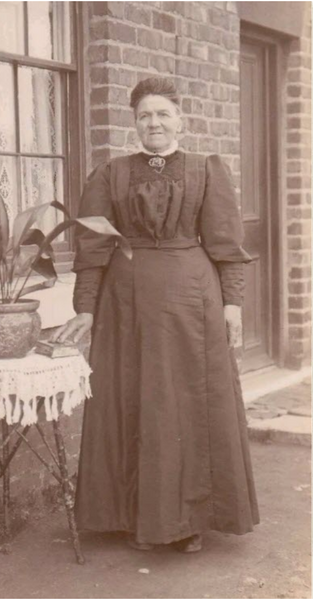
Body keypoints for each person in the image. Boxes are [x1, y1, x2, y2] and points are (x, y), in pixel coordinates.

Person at [51, 77, 259, 552]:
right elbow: (93, 246)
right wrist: (86, 307)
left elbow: (226, 246)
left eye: (163, 113)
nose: (154, 123)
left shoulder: (206, 169)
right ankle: (132, 518)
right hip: (126, 308)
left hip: (192, 305)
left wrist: (232, 305)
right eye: (144, 115)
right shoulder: (113, 173)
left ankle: (188, 523)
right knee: (133, 402)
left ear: (180, 119)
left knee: (185, 405)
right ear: (135, 123)